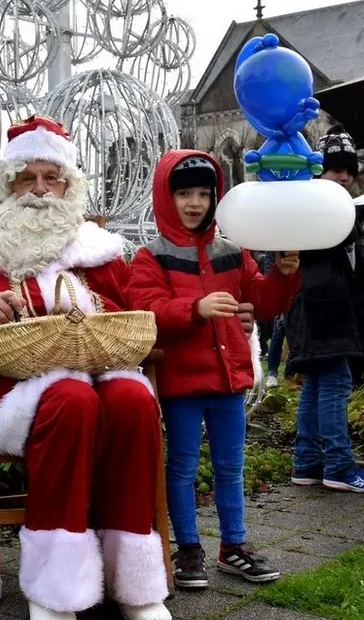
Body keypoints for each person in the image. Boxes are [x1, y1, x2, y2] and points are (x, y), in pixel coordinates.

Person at [0, 115, 171, 620]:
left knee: (131, 398)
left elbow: (137, 311)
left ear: (68, 184)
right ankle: (54, 590)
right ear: (7, 187)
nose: (37, 189)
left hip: (104, 370)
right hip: (14, 392)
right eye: (25, 178)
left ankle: (133, 578)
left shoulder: (100, 250)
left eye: (49, 177)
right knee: (71, 398)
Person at [128, 150, 300, 591]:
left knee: (231, 465)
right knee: (183, 465)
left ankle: (233, 546)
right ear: (167, 198)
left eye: (204, 193)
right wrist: (195, 309)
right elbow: (144, 309)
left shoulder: (232, 251)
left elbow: (261, 303)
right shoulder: (151, 257)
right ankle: (187, 547)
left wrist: (282, 275)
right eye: (184, 193)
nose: (194, 203)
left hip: (228, 379)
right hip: (182, 382)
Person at [285, 126, 364, 494]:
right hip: (324, 306)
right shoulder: (321, 204)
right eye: (334, 168)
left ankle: (308, 461)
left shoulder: (306, 201)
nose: (343, 176)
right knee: (335, 384)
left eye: (348, 169)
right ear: (318, 170)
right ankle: (339, 466)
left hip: (312, 304)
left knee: (316, 384)